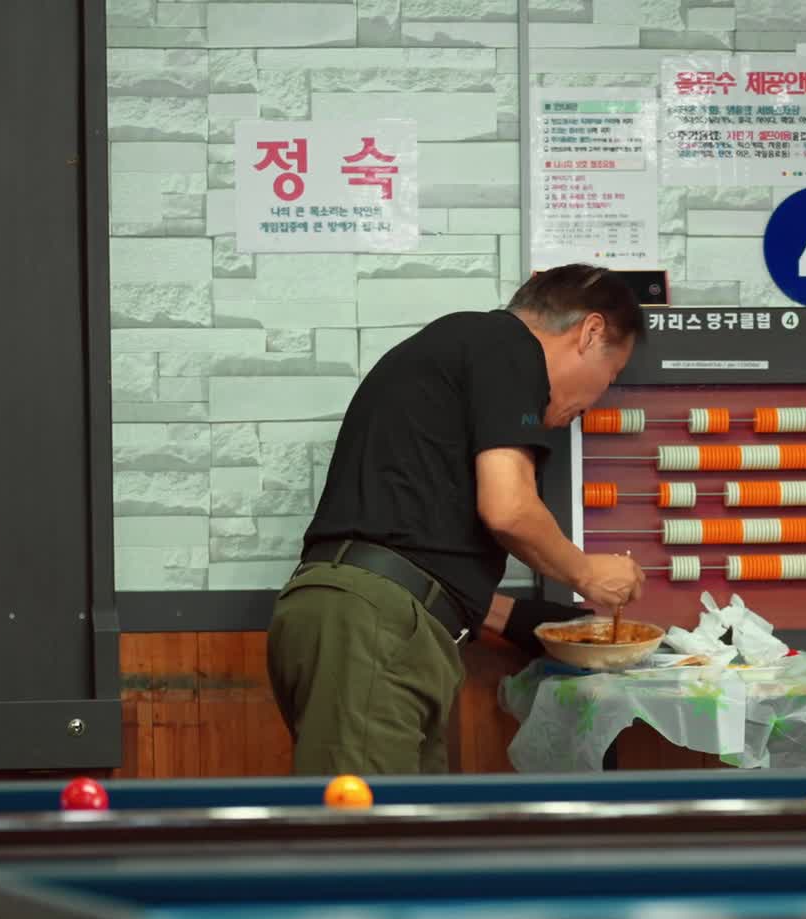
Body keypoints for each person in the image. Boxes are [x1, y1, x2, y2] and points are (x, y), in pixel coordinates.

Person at [269, 264, 647, 775]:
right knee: (365, 821)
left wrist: (534, 622)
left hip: (369, 622)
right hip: (372, 628)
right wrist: (588, 573)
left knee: (407, 819)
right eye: (611, 374)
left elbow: (420, 554)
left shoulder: (462, 353)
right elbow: (509, 508)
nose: (597, 397)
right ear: (590, 332)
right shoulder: (508, 345)